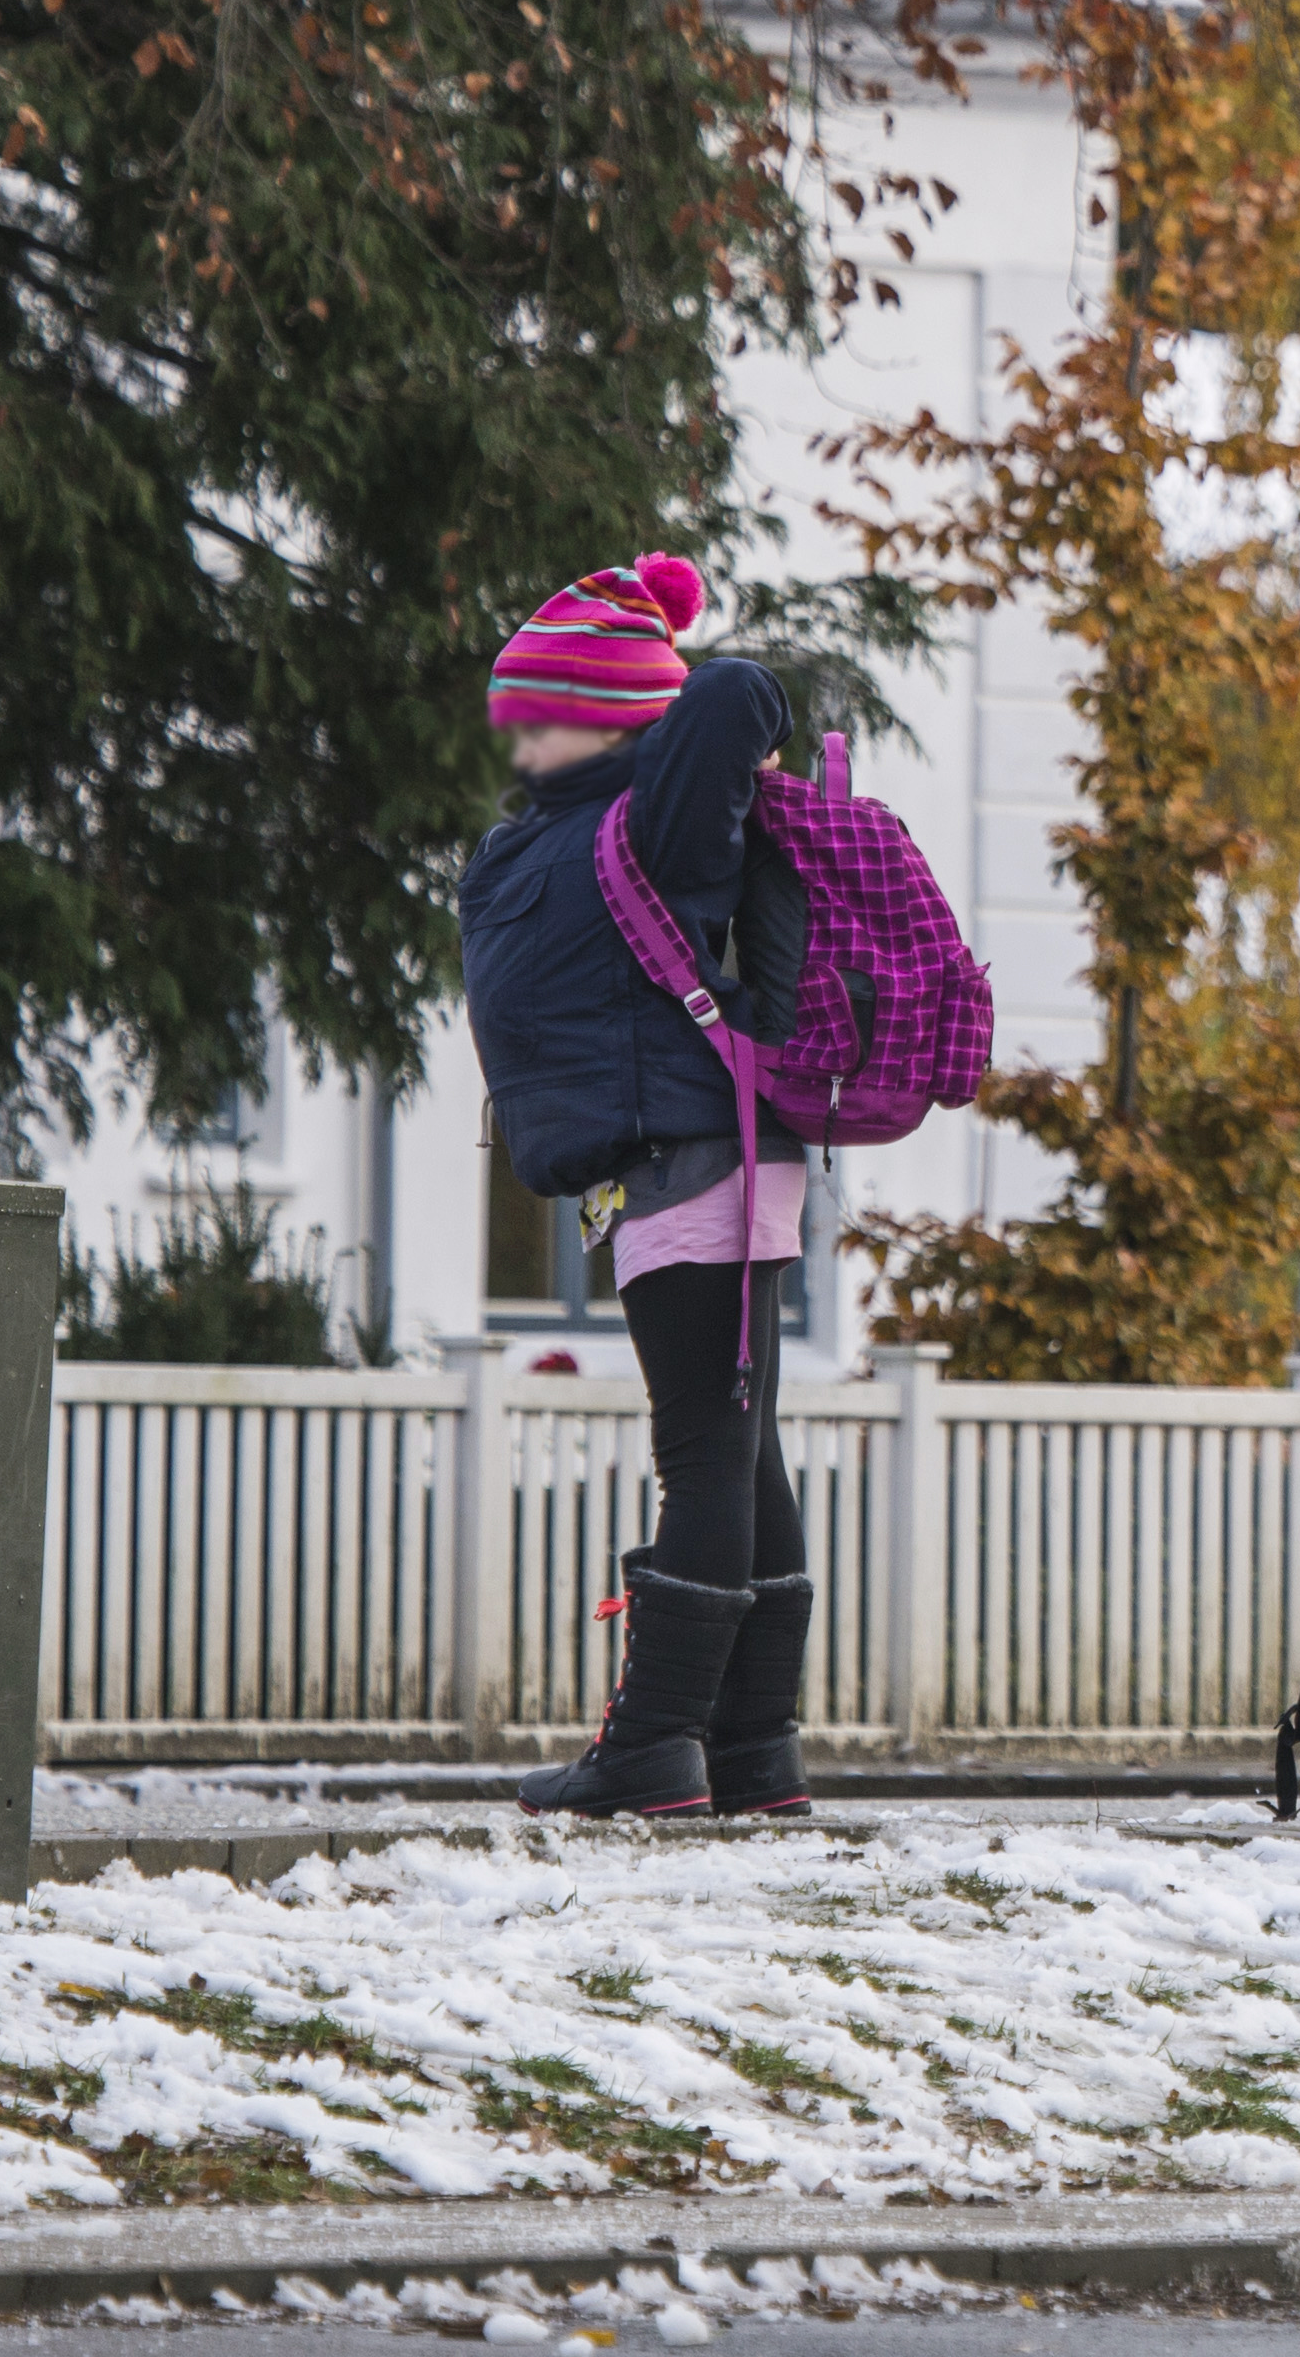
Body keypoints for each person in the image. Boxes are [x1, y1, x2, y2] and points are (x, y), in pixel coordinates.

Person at [453, 553, 818, 1818]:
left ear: (604, 717)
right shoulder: (553, 837)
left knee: (705, 1450)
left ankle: (658, 1742)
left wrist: (653, 675)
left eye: (543, 708)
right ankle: (754, 1751)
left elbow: (732, 691)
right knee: (740, 1446)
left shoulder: (659, 819)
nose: (521, 733)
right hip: (681, 1161)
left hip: (698, 1156)